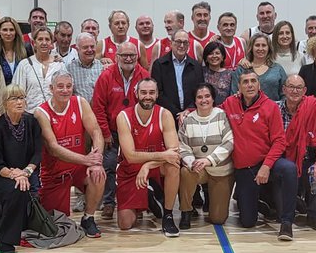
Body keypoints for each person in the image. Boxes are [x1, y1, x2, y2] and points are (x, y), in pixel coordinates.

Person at [223, 71, 298, 240]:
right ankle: (263, 201)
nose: (249, 85)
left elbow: (280, 141)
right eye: (245, 82)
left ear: (259, 85)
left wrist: (266, 166)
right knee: (248, 222)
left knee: (289, 169)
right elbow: (210, 112)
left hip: (267, 163)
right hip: (244, 168)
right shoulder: (229, 103)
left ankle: (286, 222)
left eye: (253, 81)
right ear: (239, 87)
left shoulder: (270, 106)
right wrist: (188, 111)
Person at [35, 71, 105, 238]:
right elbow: (53, 148)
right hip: (54, 172)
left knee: (99, 174)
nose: (65, 90)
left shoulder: (80, 102)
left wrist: (95, 161)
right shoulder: (41, 112)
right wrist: (86, 159)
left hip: (79, 167)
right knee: (57, 227)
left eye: (68, 86)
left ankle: (88, 218)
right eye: (60, 87)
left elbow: (96, 131)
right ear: (51, 88)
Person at [92, 42, 151, 218]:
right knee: (108, 165)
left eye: (132, 55)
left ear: (137, 56)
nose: (128, 58)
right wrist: (105, 133)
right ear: (116, 56)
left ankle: (137, 203)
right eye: (124, 55)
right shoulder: (106, 76)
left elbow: (148, 106)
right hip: (111, 131)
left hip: (135, 132)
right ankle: (109, 202)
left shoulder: (144, 75)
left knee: (134, 166)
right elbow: (98, 106)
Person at [115, 79, 181, 236]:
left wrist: (147, 165)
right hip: (130, 169)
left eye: (151, 92)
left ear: (157, 94)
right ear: (136, 94)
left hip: (156, 167)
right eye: (143, 92)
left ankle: (168, 215)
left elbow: (173, 153)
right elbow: (130, 156)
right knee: (125, 224)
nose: (147, 96)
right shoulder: (123, 117)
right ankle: (148, 196)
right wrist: (159, 156)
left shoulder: (165, 115)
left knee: (174, 165)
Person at [0, 86, 42, 253]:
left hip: (23, 175)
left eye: (22, 98)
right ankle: (5, 240)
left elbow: (37, 153)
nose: (19, 102)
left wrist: (26, 172)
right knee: (17, 189)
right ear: (5, 103)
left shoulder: (32, 122)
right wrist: (14, 174)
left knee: (20, 189)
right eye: (14, 98)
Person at [177, 82, 235, 228]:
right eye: (200, 97)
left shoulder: (221, 116)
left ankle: (212, 196)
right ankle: (186, 211)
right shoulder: (188, 120)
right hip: (198, 169)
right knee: (185, 171)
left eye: (207, 96)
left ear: (213, 98)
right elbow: (182, 146)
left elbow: (229, 142)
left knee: (218, 219)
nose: (204, 100)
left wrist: (209, 160)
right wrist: (192, 163)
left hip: (220, 170)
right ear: (195, 101)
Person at [278, 74, 316, 231]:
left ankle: (313, 213)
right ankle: (292, 204)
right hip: (282, 161)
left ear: (305, 90)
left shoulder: (313, 107)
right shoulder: (274, 109)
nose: (294, 91)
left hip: (306, 160)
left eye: (299, 87)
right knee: (280, 212)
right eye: (291, 87)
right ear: (284, 89)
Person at [13, 27, 65, 113]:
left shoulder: (59, 65)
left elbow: (64, 91)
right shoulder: (24, 65)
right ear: (34, 43)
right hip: (29, 116)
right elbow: (16, 93)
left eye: (47, 39)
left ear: (51, 44)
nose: (44, 43)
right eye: (40, 39)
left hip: (53, 115)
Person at [152, 31, 201, 118]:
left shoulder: (196, 66)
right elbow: (157, 92)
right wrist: (176, 113)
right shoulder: (159, 65)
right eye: (178, 42)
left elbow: (199, 90)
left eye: (185, 42)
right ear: (171, 43)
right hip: (167, 115)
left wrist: (189, 110)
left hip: (191, 115)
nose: (182, 46)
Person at [232, 33, 287, 102]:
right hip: (247, 111)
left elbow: (285, 94)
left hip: (273, 110)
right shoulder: (242, 69)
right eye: (257, 45)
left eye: (264, 45)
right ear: (251, 48)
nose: (260, 48)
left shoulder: (277, 69)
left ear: (269, 48)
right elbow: (234, 94)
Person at [66, 32, 104, 102]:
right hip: (78, 110)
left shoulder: (102, 67)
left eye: (92, 46)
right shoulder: (69, 69)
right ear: (77, 49)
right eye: (85, 47)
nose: (90, 50)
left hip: (98, 110)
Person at [0, 15, 28, 85]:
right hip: (1, 94)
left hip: (23, 94)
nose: (8, 33)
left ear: (16, 32)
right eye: (5, 30)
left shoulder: (26, 50)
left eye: (11, 30)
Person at [200, 40, 234, 105]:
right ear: (206, 58)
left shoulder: (230, 74)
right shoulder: (200, 72)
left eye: (217, 53)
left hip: (224, 110)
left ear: (222, 57)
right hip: (204, 109)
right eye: (210, 53)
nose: (214, 56)